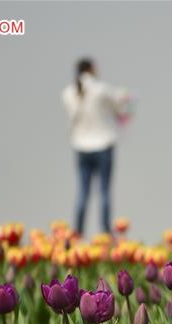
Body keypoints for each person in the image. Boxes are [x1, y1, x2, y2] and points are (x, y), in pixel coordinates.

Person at [61, 58, 132, 236]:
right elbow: (120, 103)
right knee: (105, 191)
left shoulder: (68, 93)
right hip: (103, 144)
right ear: (92, 69)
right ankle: (106, 232)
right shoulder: (101, 89)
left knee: (83, 191)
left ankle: (77, 232)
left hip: (81, 146)